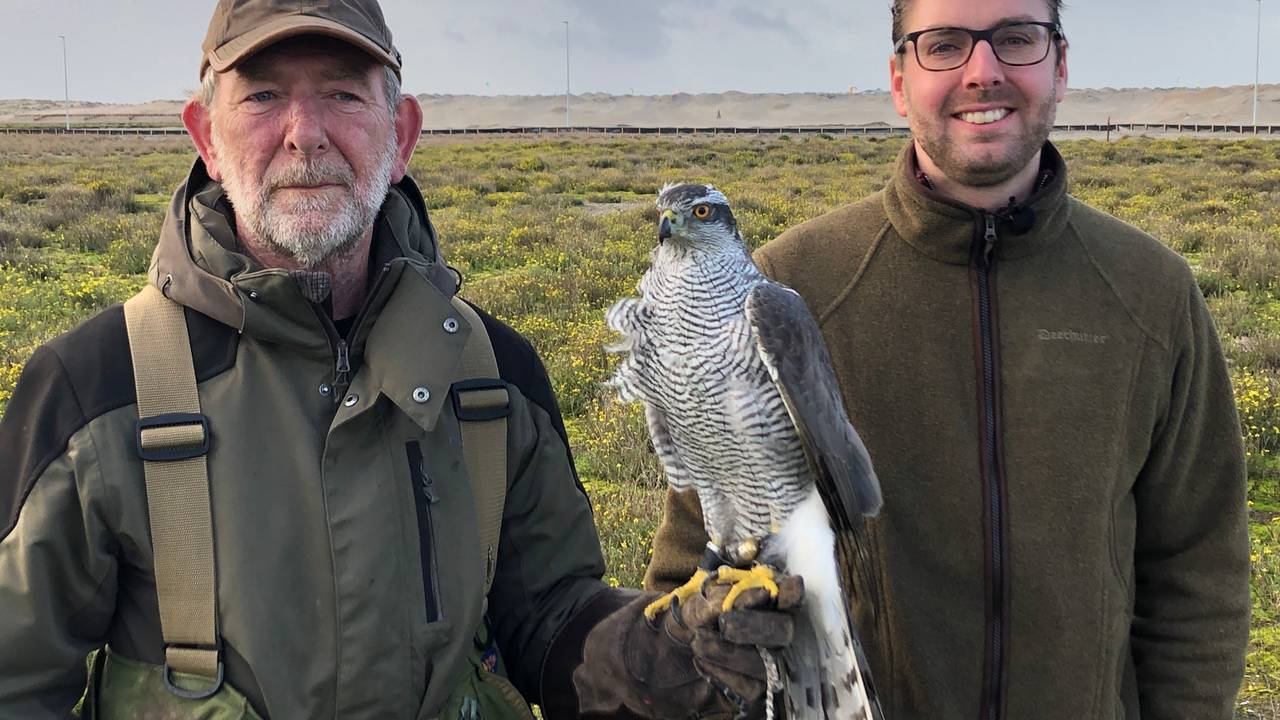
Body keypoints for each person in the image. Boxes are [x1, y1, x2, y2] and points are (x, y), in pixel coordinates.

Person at [0, 1, 785, 717]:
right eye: (264, 96)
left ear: (401, 135)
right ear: (206, 137)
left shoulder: (494, 377)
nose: (305, 132)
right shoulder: (94, 391)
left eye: (342, 94)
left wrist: (662, 653)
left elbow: (546, 621)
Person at [646, 1, 1252, 718]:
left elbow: (1196, 577)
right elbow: (692, 569)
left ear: (1060, 65)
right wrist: (705, 651)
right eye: (944, 45)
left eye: (1017, 39)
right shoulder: (784, 291)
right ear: (900, 80)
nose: (983, 71)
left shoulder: (1151, 294)